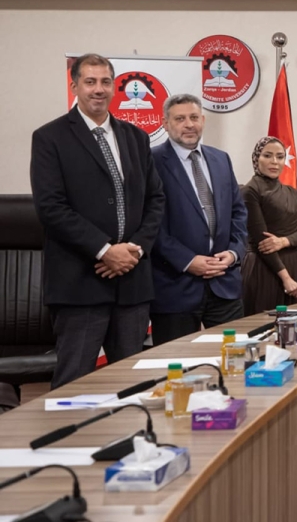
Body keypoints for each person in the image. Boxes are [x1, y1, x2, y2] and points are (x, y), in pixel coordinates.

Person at [30, 53, 165, 388]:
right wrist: (105, 250)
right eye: (90, 81)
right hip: (80, 284)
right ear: (74, 86)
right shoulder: (50, 138)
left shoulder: (136, 137)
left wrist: (134, 249)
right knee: (73, 386)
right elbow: (51, 207)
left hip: (132, 282)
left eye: (105, 81)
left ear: (114, 87)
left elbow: (156, 200)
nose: (98, 89)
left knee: (130, 387)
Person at [150, 94, 248, 344]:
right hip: (175, 286)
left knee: (234, 358)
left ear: (203, 120)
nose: (189, 124)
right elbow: (150, 223)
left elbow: (238, 212)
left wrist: (234, 253)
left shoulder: (221, 159)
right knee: (176, 363)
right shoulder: (150, 162)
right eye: (180, 119)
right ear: (165, 124)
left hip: (224, 283)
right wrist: (187, 261)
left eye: (194, 117)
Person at [241, 136, 297, 314]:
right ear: (256, 158)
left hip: (293, 264)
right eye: (267, 155)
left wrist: (283, 241)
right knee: (265, 325)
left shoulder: (290, 191)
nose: (274, 161)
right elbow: (262, 242)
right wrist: (286, 278)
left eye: (280, 157)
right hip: (265, 268)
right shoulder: (250, 190)